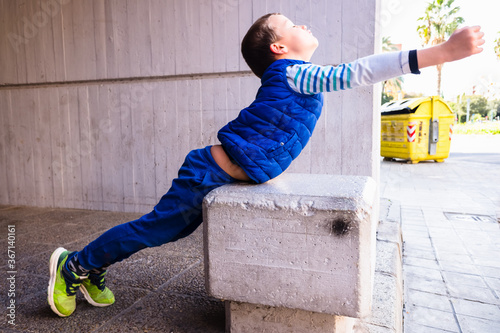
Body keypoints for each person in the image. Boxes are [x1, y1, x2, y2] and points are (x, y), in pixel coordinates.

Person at [47, 13, 484, 317]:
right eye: (293, 24)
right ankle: (75, 265)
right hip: (207, 172)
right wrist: (441, 52)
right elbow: (361, 71)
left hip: (223, 172)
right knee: (155, 229)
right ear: (279, 47)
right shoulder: (297, 73)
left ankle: (92, 266)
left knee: (169, 231)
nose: (304, 25)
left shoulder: (295, 76)